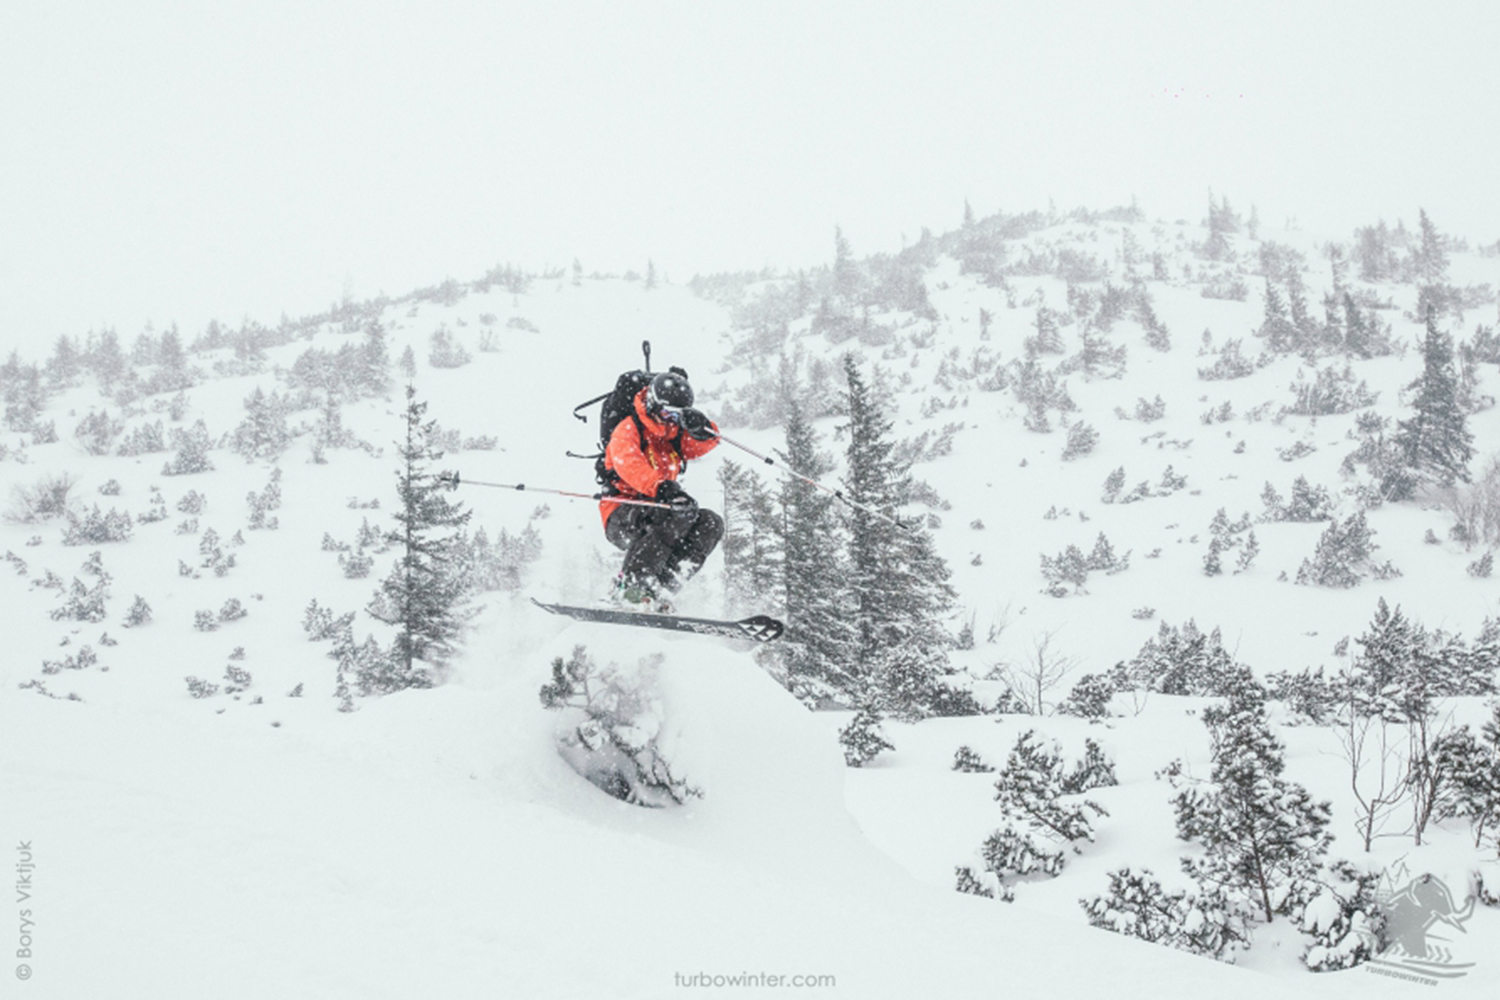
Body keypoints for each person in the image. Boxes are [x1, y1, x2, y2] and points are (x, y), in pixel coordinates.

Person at [599, 369, 723, 610]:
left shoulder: (673, 434)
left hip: (663, 506)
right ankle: (632, 588)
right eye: (667, 413)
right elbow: (630, 466)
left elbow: (704, 444)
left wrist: (703, 428)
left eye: (677, 416)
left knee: (710, 523)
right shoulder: (628, 430)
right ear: (653, 404)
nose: (670, 420)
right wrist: (663, 487)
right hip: (621, 514)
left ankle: (661, 589)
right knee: (667, 515)